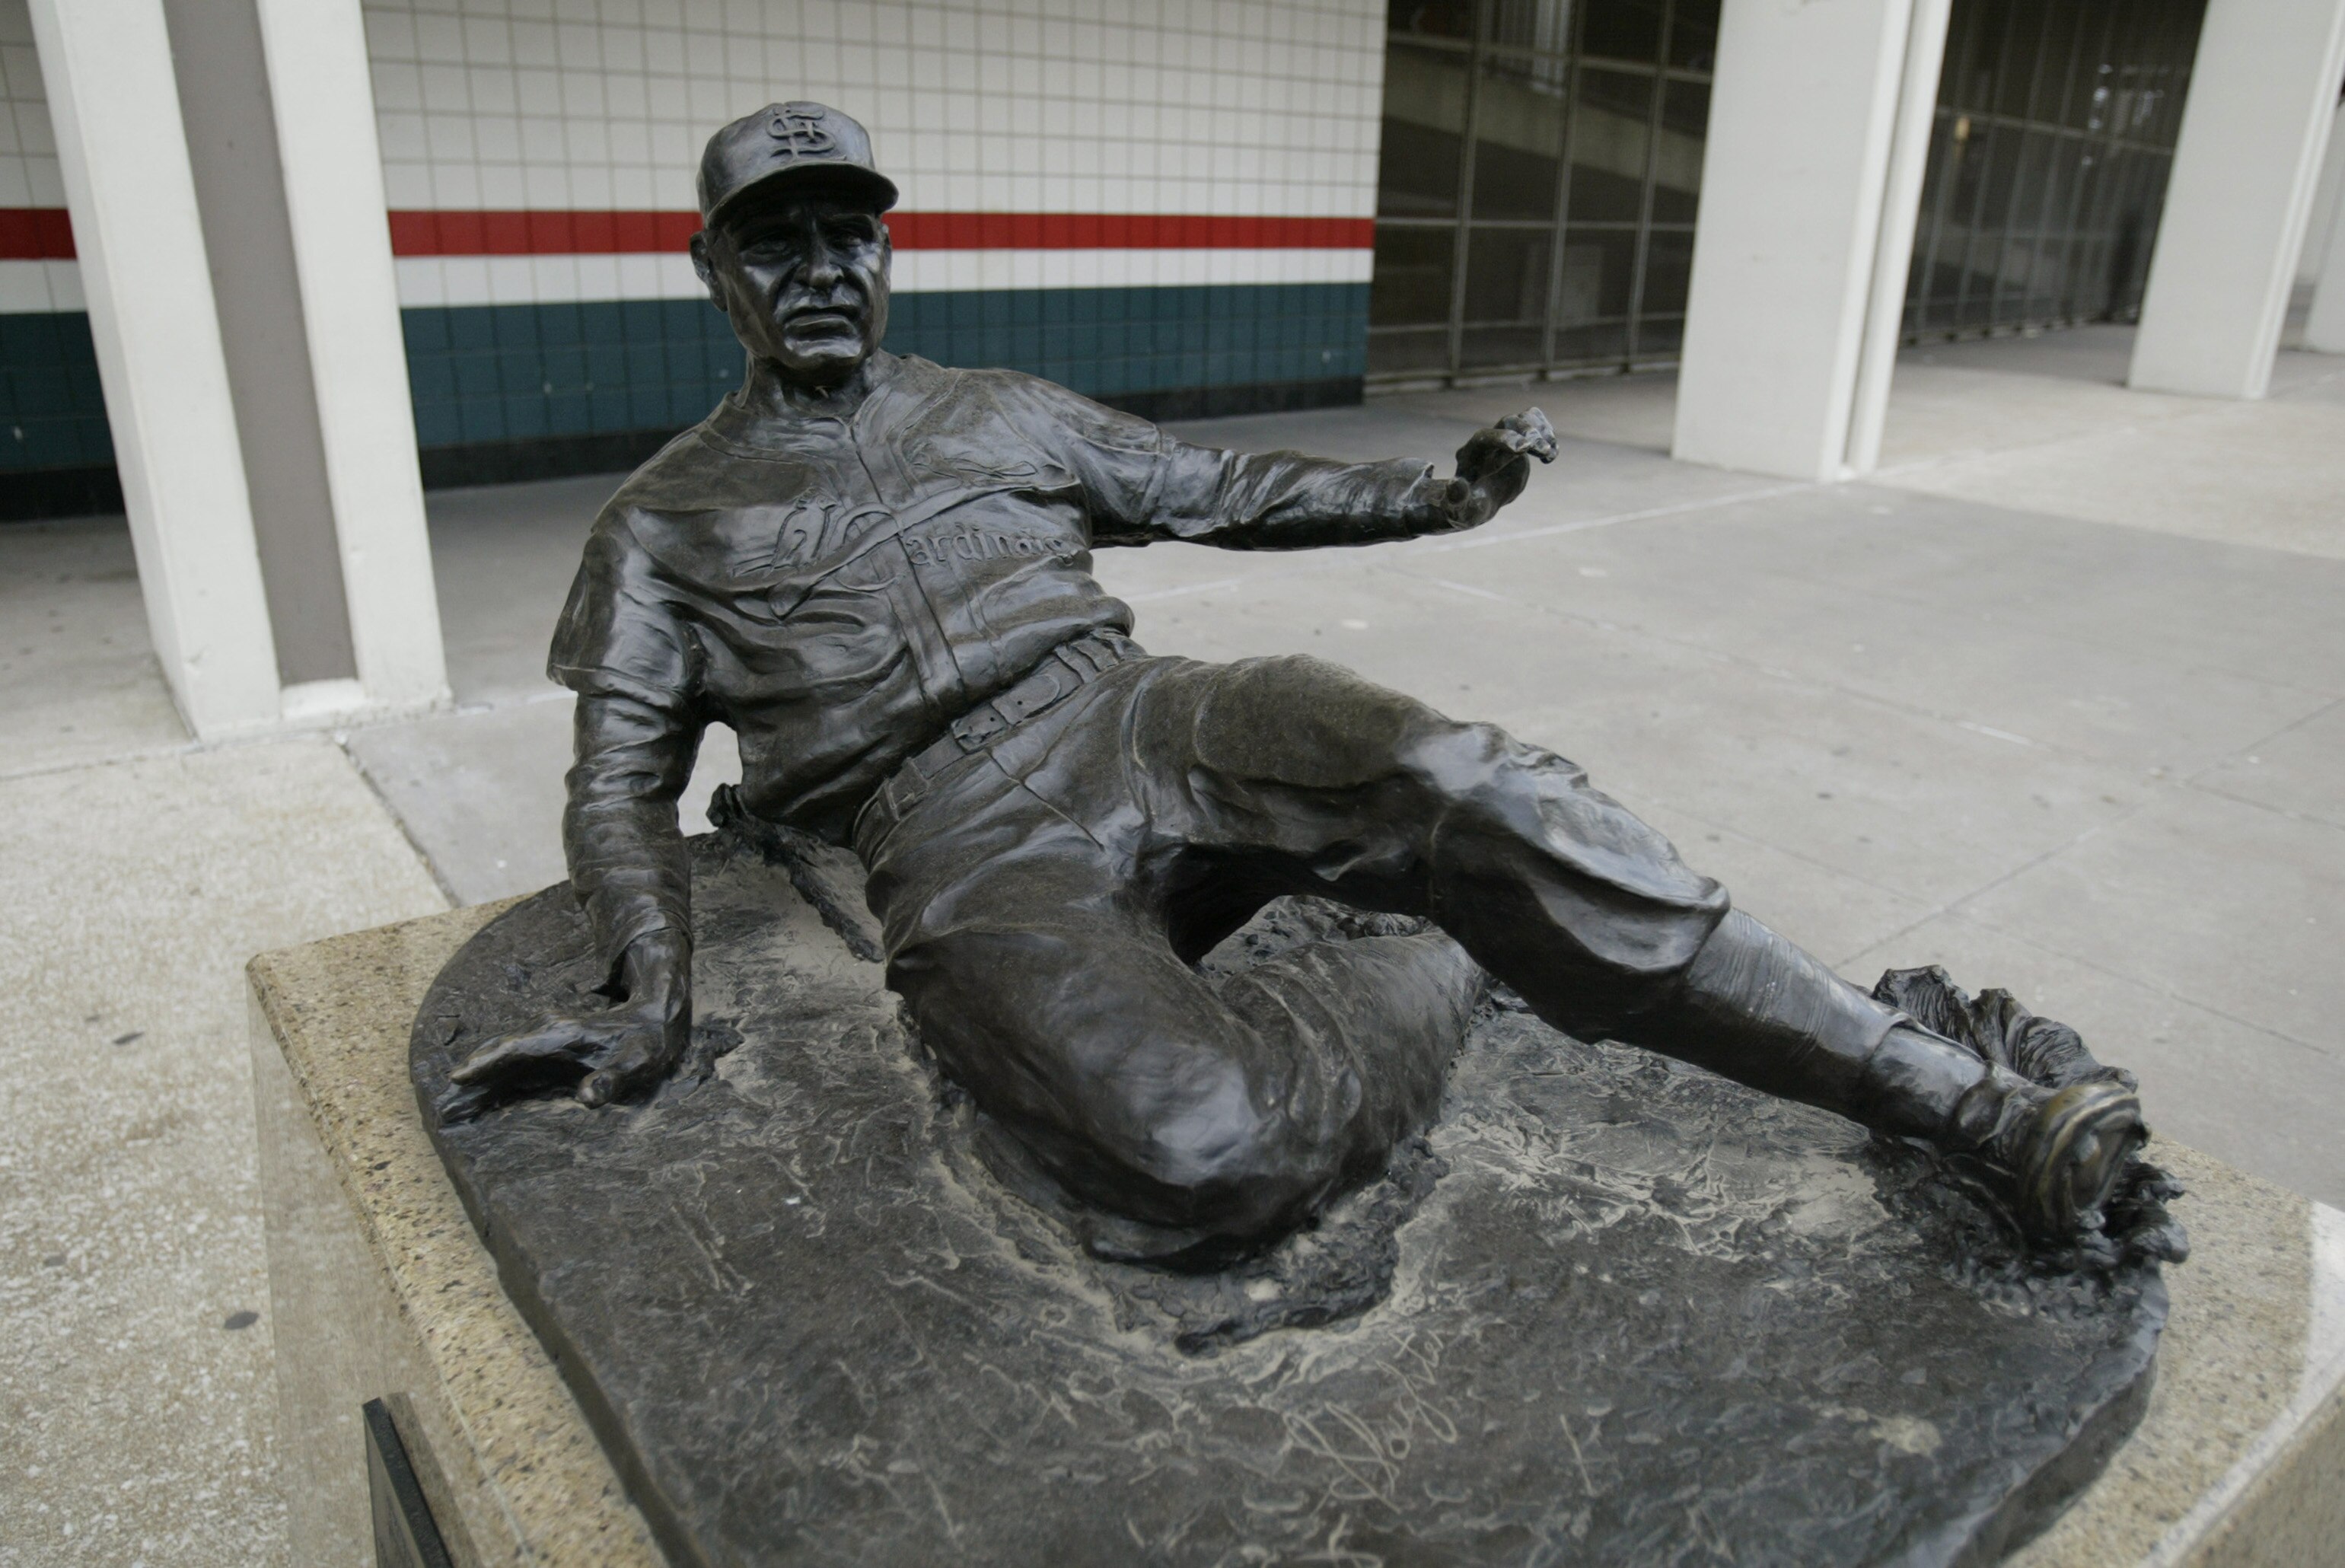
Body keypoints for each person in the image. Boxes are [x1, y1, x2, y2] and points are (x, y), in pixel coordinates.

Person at [445, 102, 2145, 1257]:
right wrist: (645, 991)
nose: (821, 267)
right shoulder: (659, 524)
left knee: (1469, 778)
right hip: (957, 842)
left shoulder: (999, 408)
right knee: (1195, 1153)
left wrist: (1435, 492)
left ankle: (1953, 1098)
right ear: (710, 272)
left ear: (890, 257)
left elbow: (1222, 493)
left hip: (1140, 715)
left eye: (849, 234)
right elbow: (617, 785)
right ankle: (1426, 951)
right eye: (775, 242)